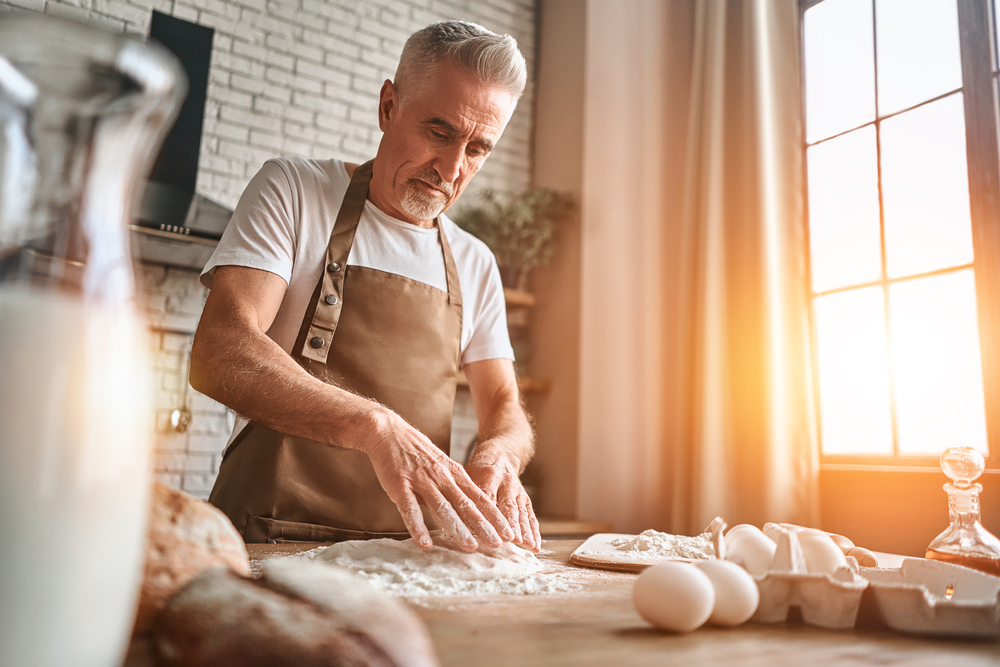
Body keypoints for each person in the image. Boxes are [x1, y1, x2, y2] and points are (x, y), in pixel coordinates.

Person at [190, 20, 540, 553]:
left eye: (477, 149)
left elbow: (504, 402)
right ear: (388, 107)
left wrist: (501, 453)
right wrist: (374, 426)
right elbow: (220, 349)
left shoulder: (475, 262)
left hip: (409, 555)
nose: (451, 168)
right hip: (266, 540)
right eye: (439, 132)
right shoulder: (294, 191)